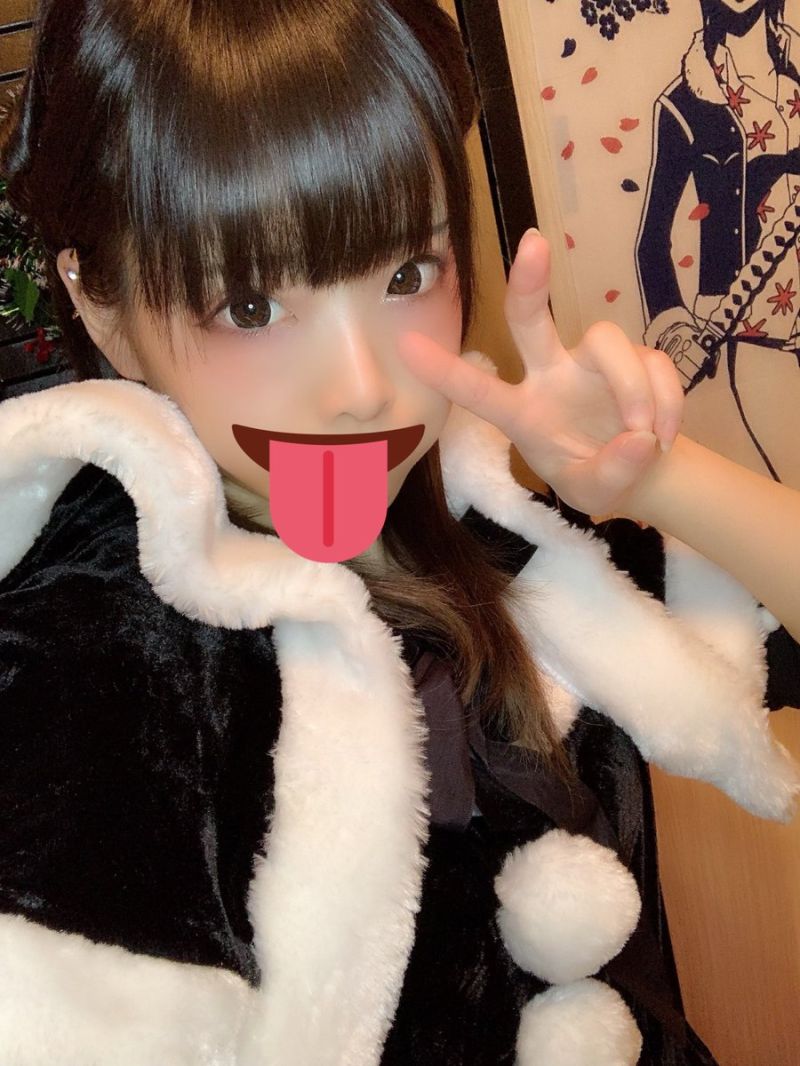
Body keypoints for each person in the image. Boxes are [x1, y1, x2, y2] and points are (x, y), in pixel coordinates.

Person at [0, 1, 798, 1063]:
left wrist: (663, 478)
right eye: (250, 306)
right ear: (101, 306)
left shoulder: (503, 533)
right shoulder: (89, 656)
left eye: (405, 274)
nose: (361, 387)